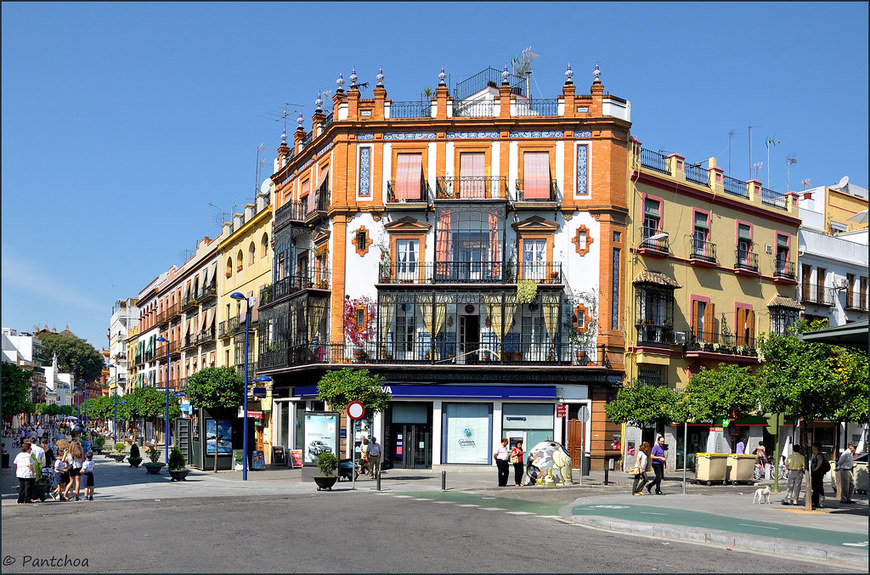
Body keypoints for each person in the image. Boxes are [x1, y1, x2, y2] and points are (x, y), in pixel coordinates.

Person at [810, 442, 827, 509]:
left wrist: (816, 468)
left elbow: (820, 461)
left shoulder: (818, 454)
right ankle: (816, 501)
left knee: (818, 487)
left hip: (818, 473)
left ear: (816, 447)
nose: (812, 448)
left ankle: (820, 501)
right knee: (816, 487)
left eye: (813, 446)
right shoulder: (815, 454)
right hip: (816, 473)